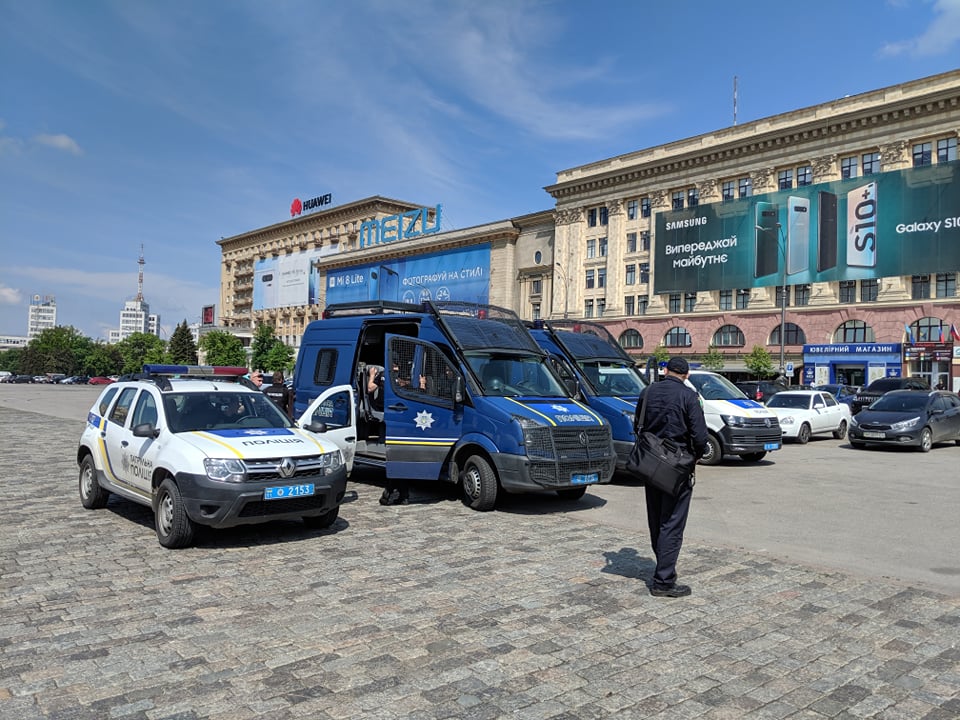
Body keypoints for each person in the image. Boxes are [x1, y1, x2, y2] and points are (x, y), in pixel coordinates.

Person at [635, 356, 708, 598]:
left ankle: (662, 565)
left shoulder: (647, 392)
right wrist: (694, 458)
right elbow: (700, 437)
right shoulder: (688, 396)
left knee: (656, 519)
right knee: (672, 522)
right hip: (676, 466)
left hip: (650, 463)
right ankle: (663, 581)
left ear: (666, 371)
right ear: (686, 375)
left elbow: (638, 424)